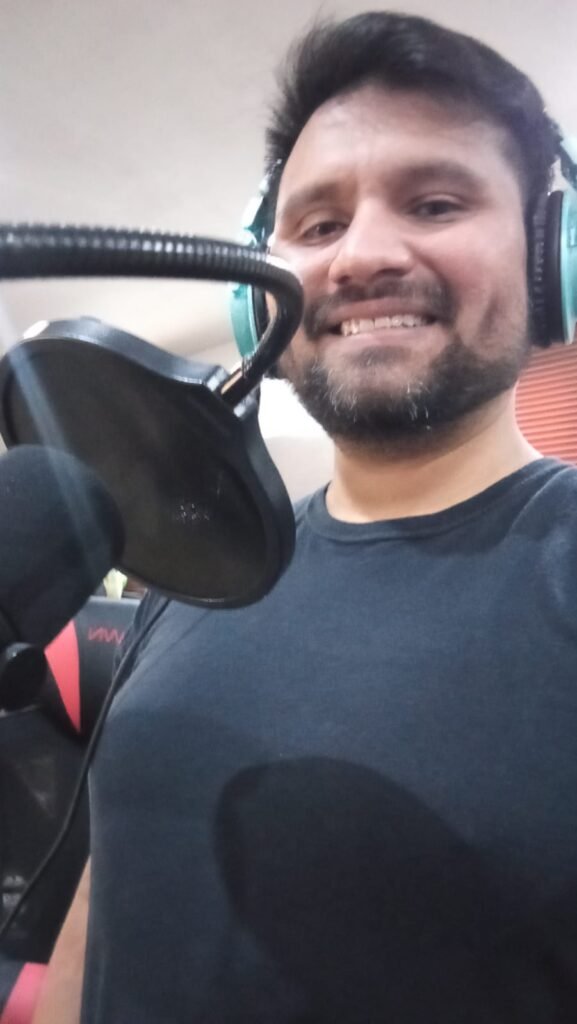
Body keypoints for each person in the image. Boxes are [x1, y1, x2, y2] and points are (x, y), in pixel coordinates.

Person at [33, 11, 577, 1023]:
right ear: (261, 289)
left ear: (550, 257)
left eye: (434, 202)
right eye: (319, 226)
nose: (360, 255)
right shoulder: (201, 570)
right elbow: (108, 895)